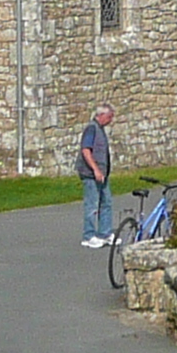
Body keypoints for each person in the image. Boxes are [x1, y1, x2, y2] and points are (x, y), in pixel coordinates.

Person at [77, 106, 117, 248]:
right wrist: (95, 170)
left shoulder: (100, 130)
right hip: (91, 174)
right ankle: (88, 236)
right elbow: (86, 150)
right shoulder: (91, 129)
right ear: (101, 115)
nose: (111, 120)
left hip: (102, 174)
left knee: (106, 202)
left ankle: (105, 233)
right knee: (92, 205)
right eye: (109, 116)